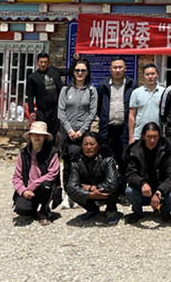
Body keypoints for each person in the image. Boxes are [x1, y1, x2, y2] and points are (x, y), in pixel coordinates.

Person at [57, 58, 98, 208]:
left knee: (83, 164)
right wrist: (70, 130)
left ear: (87, 72)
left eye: (83, 70)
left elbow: (92, 113)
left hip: (83, 135)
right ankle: (67, 194)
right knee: (68, 164)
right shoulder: (65, 90)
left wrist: (81, 131)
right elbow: (61, 112)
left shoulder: (91, 91)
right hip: (67, 134)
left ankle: (80, 194)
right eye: (77, 70)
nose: (80, 73)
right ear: (73, 72)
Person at [124, 122, 171, 225]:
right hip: (143, 191)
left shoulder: (165, 150)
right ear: (143, 136)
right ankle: (137, 212)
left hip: (160, 191)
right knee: (129, 191)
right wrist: (142, 183)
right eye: (149, 137)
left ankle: (165, 212)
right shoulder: (135, 151)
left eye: (155, 137)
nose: (152, 140)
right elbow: (130, 174)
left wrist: (160, 191)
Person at [66, 131, 123, 224]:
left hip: (104, 190)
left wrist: (92, 188)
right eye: (85, 144)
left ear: (98, 146)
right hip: (89, 191)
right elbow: (71, 187)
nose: (88, 147)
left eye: (92, 144)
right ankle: (92, 209)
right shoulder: (76, 162)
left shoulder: (107, 158)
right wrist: (90, 195)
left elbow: (112, 183)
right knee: (72, 191)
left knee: (117, 183)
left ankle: (111, 209)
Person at [12, 121, 60, 225]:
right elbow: (16, 177)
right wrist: (23, 191)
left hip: (43, 188)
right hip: (28, 189)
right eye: (34, 134)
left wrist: (34, 184)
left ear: (45, 137)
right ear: (30, 136)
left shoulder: (52, 153)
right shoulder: (23, 153)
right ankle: (32, 209)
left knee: (46, 185)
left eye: (40, 135)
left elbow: (52, 174)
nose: (37, 137)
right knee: (22, 209)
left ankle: (44, 211)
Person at [97, 57, 135, 172]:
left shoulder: (132, 85)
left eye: (120, 67)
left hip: (124, 130)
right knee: (106, 160)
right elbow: (99, 107)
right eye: (115, 67)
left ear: (125, 68)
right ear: (110, 69)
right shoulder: (103, 86)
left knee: (124, 160)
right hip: (108, 130)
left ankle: (122, 182)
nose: (117, 70)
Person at [24, 52, 68, 138]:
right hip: (42, 109)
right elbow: (30, 95)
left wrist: (76, 60)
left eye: (45, 62)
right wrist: (32, 110)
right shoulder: (33, 77)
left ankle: (52, 146)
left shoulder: (54, 71)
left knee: (53, 131)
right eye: (41, 62)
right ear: (37, 62)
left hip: (55, 108)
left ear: (48, 62)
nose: (43, 64)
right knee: (41, 131)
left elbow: (69, 71)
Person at [128, 63, 163, 144]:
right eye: (147, 74)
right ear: (143, 76)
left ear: (157, 75)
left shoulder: (163, 92)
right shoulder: (136, 93)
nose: (150, 76)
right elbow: (132, 115)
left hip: (157, 136)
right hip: (139, 135)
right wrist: (131, 137)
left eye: (152, 74)